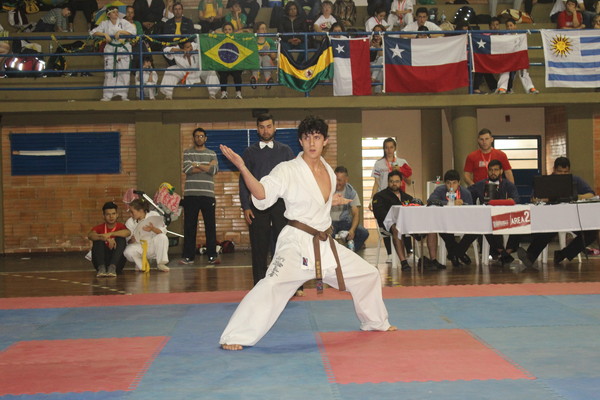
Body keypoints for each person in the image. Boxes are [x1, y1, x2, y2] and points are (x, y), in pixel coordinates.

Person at [219, 115, 397, 351]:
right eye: (307, 138)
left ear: (325, 141)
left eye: (317, 137)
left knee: (368, 275)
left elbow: (315, 199)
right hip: (296, 243)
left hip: (324, 245)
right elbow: (262, 193)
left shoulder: (329, 172)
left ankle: (375, 321)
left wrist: (331, 201)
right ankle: (236, 335)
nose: (312, 143)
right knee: (271, 285)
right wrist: (243, 168)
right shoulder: (287, 169)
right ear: (300, 141)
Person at [240, 113, 295, 285]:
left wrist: (294, 205)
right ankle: (259, 284)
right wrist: (245, 206)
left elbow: (294, 179)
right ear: (257, 129)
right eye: (262, 127)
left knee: (285, 244)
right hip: (257, 205)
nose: (266, 130)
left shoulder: (286, 151)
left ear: (274, 128)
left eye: (269, 126)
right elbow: (243, 180)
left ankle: (288, 283)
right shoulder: (249, 153)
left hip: (281, 205)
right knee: (259, 246)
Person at [517, 157, 597, 269]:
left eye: (565, 172)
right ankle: (530, 256)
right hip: (552, 218)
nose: (563, 174)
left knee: (591, 234)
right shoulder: (545, 181)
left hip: (572, 218)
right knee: (547, 230)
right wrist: (545, 199)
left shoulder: (575, 180)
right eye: (560, 171)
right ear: (554, 169)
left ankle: (563, 254)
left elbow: (591, 194)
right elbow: (534, 199)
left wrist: (577, 196)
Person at [373, 170, 445, 271]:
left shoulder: (407, 197)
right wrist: (395, 220)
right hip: (388, 225)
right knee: (396, 228)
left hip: (409, 224)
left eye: (396, 181)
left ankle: (433, 260)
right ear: (388, 182)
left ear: (401, 182)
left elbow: (417, 209)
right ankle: (404, 262)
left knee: (431, 226)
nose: (394, 184)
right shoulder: (380, 196)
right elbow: (379, 213)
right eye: (391, 181)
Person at [180, 128, 220, 265]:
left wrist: (196, 164)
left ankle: (212, 256)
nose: (199, 138)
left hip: (208, 195)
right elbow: (187, 169)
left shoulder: (212, 153)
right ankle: (188, 257)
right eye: (197, 136)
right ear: (194, 138)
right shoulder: (188, 152)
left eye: (202, 136)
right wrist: (206, 166)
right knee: (189, 227)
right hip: (190, 195)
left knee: (210, 227)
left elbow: (214, 170)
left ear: (205, 138)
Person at [470, 159, 521, 265]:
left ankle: (505, 252)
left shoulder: (508, 184)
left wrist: (510, 200)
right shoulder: (480, 185)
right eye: (491, 170)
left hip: (506, 216)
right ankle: (503, 253)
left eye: (496, 170)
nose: (493, 172)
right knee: (487, 225)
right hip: (487, 217)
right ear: (488, 171)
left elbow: (516, 199)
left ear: (501, 171)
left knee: (520, 223)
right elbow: (467, 194)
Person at [428, 169, 477, 267]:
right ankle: (459, 254)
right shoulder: (440, 190)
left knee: (476, 230)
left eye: (454, 183)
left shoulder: (465, 193)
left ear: (459, 183)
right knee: (443, 229)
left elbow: (471, 211)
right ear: (444, 183)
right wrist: (449, 203)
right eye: (448, 183)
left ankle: (455, 253)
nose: (451, 186)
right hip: (445, 222)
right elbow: (431, 200)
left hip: (462, 221)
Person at [90, 6, 136, 102]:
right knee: (109, 73)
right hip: (111, 49)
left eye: (117, 12)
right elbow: (93, 32)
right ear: (108, 14)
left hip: (123, 49)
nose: (116, 13)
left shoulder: (123, 22)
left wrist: (121, 31)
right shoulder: (105, 23)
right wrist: (104, 34)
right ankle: (107, 96)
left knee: (124, 73)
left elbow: (133, 31)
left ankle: (123, 95)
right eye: (113, 12)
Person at [124, 198, 170, 272]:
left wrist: (153, 229)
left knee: (162, 237)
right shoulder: (130, 222)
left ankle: (161, 264)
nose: (130, 214)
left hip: (153, 245)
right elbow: (127, 241)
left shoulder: (153, 215)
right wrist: (131, 240)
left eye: (132, 212)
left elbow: (163, 231)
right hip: (139, 246)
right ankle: (141, 264)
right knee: (128, 251)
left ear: (141, 210)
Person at [495, 19, 539, 95]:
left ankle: (530, 88)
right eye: (507, 26)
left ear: (515, 26)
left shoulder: (520, 36)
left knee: (523, 71)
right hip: (508, 58)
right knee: (505, 69)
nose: (509, 28)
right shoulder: (504, 37)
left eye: (511, 25)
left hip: (518, 58)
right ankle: (502, 88)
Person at [331, 166, 369, 253]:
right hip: (330, 222)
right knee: (328, 236)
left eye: (339, 180)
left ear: (346, 180)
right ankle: (332, 256)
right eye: (335, 179)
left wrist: (352, 230)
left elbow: (356, 214)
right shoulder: (327, 189)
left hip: (344, 221)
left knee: (363, 233)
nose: (337, 183)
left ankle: (350, 253)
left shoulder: (351, 192)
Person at [87, 201, 130, 277]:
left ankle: (112, 267)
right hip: (101, 262)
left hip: (117, 264)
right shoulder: (99, 227)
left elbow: (127, 232)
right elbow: (90, 235)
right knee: (98, 239)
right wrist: (104, 238)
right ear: (104, 216)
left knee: (121, 239)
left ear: (117, 215)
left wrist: (110, 234)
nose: (111, 217)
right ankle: (101, 268)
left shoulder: (121, 226)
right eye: (108, 214)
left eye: (113, 214)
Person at [218, 22, 244, 99]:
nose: (227, 31)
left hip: (234, 62)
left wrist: (233, 34)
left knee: (237, 74)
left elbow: (242, 31)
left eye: (229, 29)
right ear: (223, 31)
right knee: (223, 74)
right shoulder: (220, 38)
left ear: (233, 30)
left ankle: (238, 93)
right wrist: (225, 35)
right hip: (223, 62)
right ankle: (223, 93)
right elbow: (215, 32)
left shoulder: (236, 38)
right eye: (225, 30)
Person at [251, 21, 277, 89]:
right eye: (262, 29)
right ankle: (254, 78)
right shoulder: (252, 40)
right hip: (255, 61)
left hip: (267, 62)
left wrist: (267, 53)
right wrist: (258, 52)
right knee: (258, 57)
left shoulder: (269, 41)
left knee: (266, 57)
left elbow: (274, 56)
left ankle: (268, 79)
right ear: (257, 30)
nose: (265, 30)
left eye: (265, 29)